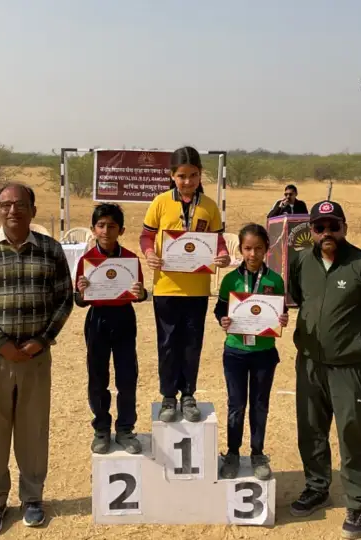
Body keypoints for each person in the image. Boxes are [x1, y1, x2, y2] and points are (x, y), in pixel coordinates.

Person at [0, 182, 74, 535]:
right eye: (5, 204)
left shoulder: (51, 250)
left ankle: (33, 498)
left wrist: (41, 340)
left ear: (33, 210)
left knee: (33, 430)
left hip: (36, 358)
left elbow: (64, 300)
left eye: (20, 204)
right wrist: (1, 342)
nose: (13, 211)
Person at [287, 200, 361, 539]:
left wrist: (352, 335)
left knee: (351, 430)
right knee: (310, 427)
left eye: (334, 226)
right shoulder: (302, 261)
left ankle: (357, 503)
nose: (327, 233)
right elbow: (297, 298)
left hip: (348, 366)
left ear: (344, 228)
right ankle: (317, 487)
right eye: (320, 228)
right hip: (308, 363)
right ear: (312, 232)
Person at [139, 146, 231, 422]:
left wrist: (223, 255)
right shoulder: (160, 202)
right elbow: (146, 237)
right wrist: (150, 254)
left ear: (201, 174)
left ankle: (188, 394)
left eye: (193, 175)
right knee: (167, 343)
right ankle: (168, 396)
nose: (188, 181)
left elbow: (218, 240)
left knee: (192, 343)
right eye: (182, 176)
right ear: (172, 176)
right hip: (166, 287)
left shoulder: (209, 206)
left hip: (197, 289)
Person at [213, 223, 289, 481]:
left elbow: (280, 312)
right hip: (235, 351)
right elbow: (219, 310)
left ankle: (257, 453)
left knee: (259, 405)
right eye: (247, 248)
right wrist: (223, 320)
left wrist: (282, 319)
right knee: (236, 405)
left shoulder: (275, 280)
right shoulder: (230, 279)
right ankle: (232, 453)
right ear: (241, 249)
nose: (252, 254)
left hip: (264, 352)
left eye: (258, 248)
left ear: (267, 249)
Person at [74, 203, 147, 455]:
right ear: (93, 229)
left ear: (122, 230)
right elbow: (81, 301)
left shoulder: (130, 259)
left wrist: (141, 293)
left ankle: (126, 428)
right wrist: (81, 292)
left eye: (112, 226)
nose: (106, 230)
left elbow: (139, 294)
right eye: (101, 225)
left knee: (127, 375)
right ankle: (102, 428)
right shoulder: (86, 261)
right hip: (97, 320)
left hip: (124, 318)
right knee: (97, 376)